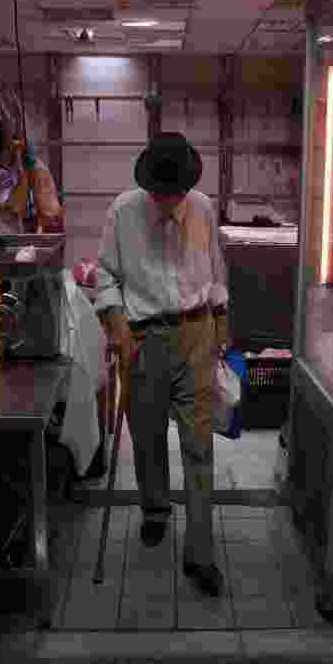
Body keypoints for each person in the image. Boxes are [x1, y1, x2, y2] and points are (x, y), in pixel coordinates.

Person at [95, 132, 230, 597]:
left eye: (176, 193)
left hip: (196, 334)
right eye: (161, 193)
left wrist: (221, 318)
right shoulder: (122, 212)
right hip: (144, 339)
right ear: (148, 186)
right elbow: (105, 277)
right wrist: (115, 321)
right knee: (147, 435)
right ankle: (155, 509)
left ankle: (201, 553)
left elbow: (215, 270)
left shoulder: (204, 209)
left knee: (198, 445)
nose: (169, 201)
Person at [0, 121, 61, 243]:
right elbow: (17, 205)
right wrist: (22, 168)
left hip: (4, 241)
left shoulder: (28, 169)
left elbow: (49, 211)